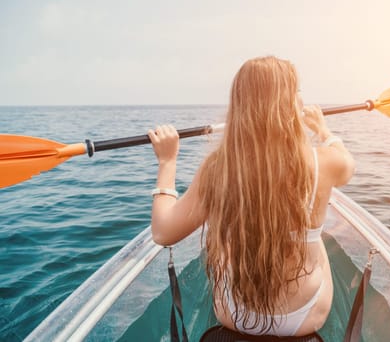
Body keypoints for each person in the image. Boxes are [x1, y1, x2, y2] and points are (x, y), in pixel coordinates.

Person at [148, 56, 355, 337]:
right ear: (289, 104)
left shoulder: (217, 168)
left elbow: (163, 232)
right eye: (297, 92)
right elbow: (346, 163)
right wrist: (323, 130)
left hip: (236, 315)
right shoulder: (327, 162)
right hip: (304, 317)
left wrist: (167, 162)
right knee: (317, 247)